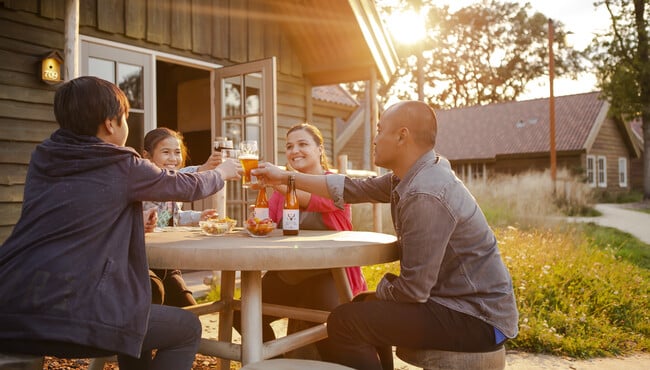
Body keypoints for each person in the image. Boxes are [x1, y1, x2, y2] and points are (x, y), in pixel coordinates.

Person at [253, 100, 519, 369]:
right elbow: (351, 188)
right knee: (361, 307)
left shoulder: (424, 193)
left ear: (402, 136)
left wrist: (382, 289)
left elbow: (413, 290)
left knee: (346, 321)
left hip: (475, 317)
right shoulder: (411, 175)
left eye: (380, 130)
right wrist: (283, 177)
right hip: (457, 304)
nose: (375, 139)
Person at [0, 76, 241, 370]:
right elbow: (185, 187)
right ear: (110, 124)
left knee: (137, 312)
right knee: (185, 328)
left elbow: (72, 211)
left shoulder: (45, 157)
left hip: (11, 307)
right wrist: (222, 172)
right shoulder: (120, 163)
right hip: (74, 318)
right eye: (125, 117)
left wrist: (130, 218)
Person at [235, 123, 367, 358]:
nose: (295, 150)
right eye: (289, 146)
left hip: (329, 272)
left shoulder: (336, 184)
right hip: (290, 272)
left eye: (303, 144)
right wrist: (257, 216)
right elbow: (268, 226)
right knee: (242, 316)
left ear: (319, 149)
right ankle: (275, 364)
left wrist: (278, 182)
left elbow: (311, 200)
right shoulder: (280, 191)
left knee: (333, 331)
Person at [141, 127, 223, 307]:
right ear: (147, 157)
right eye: (165, 152)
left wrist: (197, 216)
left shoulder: (174, 180)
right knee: (156, 309)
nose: (173, 158)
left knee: (189, 310)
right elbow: (179, 180)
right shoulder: (145, 182)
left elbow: (175, 216)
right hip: (145, 263)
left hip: (168, 265)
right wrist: (204, 170)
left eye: (177, 152)